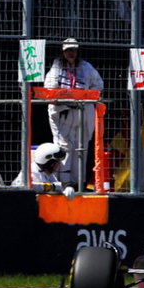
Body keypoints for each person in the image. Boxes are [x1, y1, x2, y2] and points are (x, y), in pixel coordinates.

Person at [44, 37, 101, 189]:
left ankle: (78, 182)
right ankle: (63, 182)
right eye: (68, 50)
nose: (71, 53)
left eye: (74, 50)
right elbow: (49, 87)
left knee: (81, 147)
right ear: (62, 52)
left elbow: (98, 85)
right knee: (63, 147)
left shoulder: (86, 67)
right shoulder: (57, 67)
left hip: (82, 111)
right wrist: (65, 96)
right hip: (64, 112)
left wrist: (85, 95)